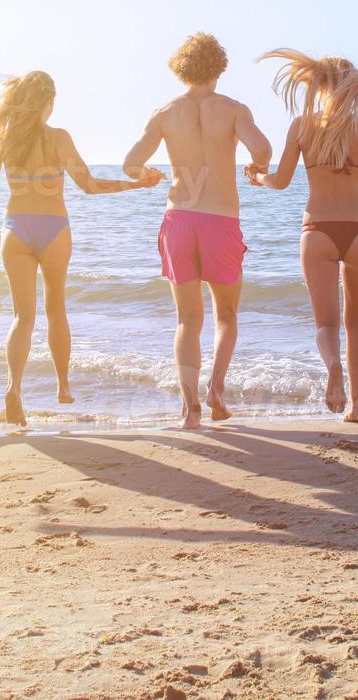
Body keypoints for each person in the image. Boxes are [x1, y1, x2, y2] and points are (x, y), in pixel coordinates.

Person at [0, 71, 164, 426]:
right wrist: (137, 186)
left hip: (15, 229)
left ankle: (14, 387)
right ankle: (62, 386)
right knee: (56, 309)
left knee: (22, 317)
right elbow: (90, 186)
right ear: (48, 103)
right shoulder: (59, 138)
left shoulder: (4, 138)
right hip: (54, 229)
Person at [123, 33, 272, 430]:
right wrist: (255, 170)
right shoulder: (234, 110)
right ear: (219, 68)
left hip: (179, 219)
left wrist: (147, 176)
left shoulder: (165, 112)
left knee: (187, 319)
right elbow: (263, 151)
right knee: (226, 315)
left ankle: (190, 409)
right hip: (221, 221)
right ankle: (216, 391)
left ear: (181, 68)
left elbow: (130, 163)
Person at [248, 51, 358, 423]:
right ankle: (355, 407)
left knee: (326, 324)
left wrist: (258, 177)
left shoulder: (301, 126)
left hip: (317, 229)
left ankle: (333, 368)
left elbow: (281, 181)